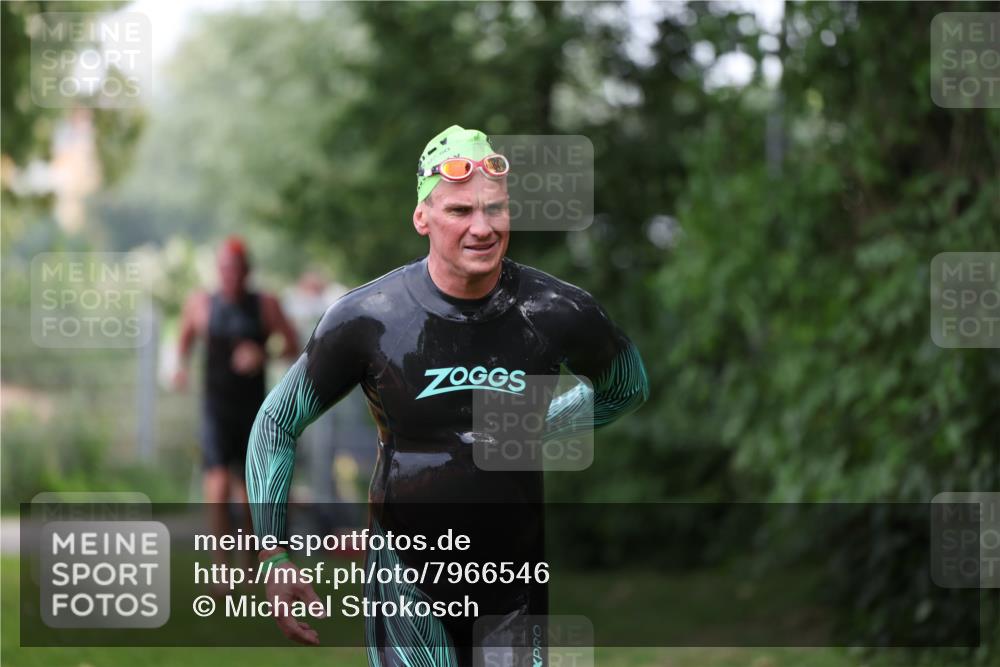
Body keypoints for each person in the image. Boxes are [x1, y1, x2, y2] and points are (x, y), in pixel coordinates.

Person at [246, 126, 649, 664]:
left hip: (513, 585)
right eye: (460, 211)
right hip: (407, 586)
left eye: (495, 209)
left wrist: (538, 425)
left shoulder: (555, 311)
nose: (482, 228)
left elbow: (626, 386)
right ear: (423, 218)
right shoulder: (370, 318)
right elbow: (275, 422)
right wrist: (274, 556)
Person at [175, 236, 299, 570]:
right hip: (216, 408)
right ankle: (220, 565)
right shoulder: (201, 303)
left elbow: (293, 344)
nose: (231, 275)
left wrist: (263, 353)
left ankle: (247, 562)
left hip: (251, 409)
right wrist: (180, 368)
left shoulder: (265, 304)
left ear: (247, 272)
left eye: (237, 269)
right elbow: (184, 336)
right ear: (219, 271)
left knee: (248, 491)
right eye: (225, 269)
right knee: (215, 485)